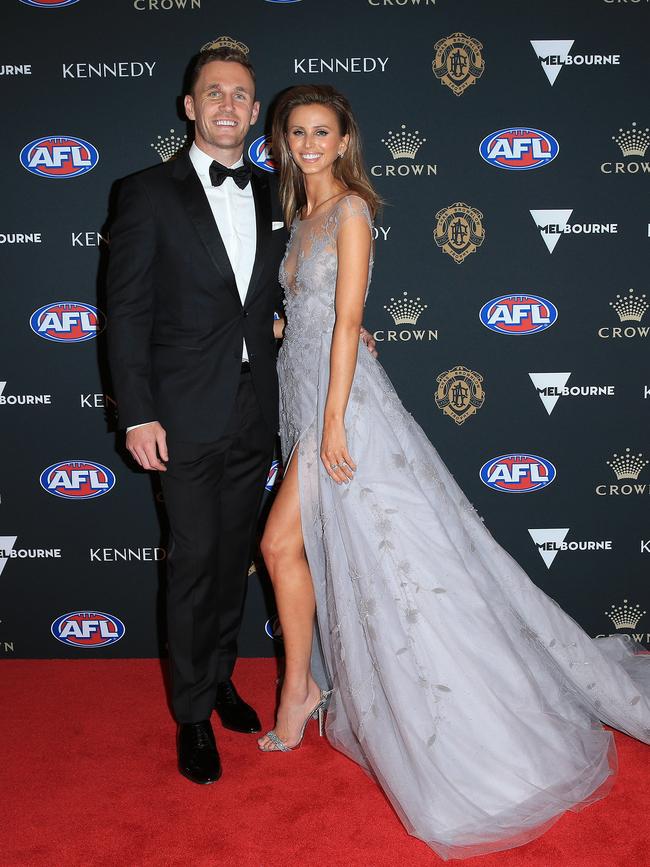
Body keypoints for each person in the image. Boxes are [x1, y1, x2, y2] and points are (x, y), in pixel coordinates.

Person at [257, 84, 650, 860]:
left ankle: (309, 693)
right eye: (296, 132)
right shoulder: (300, 220)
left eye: (321, 132)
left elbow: (345, 321)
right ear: (284, 142)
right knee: (316, 552)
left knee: (303, 549)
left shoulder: (352, 212)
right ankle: (300, 687)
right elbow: (305, 316)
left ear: (343, 141)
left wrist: (333, 418)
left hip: (343, 411)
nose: (308, 143)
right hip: (307, 395)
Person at [107, 45, 374, 786]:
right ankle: (192, 713)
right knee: (193, 559)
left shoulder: (276, 193)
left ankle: (220, 676)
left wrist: (329, 329)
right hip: (182, 415)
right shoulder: (144, 193)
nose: (228, 104)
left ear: (256, 114)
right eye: (214, 92)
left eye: (242, 95)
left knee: (234, 556)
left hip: (261, 412)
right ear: (190, 107)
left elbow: (280, 302)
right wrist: (138, 413)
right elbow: (124, 314)